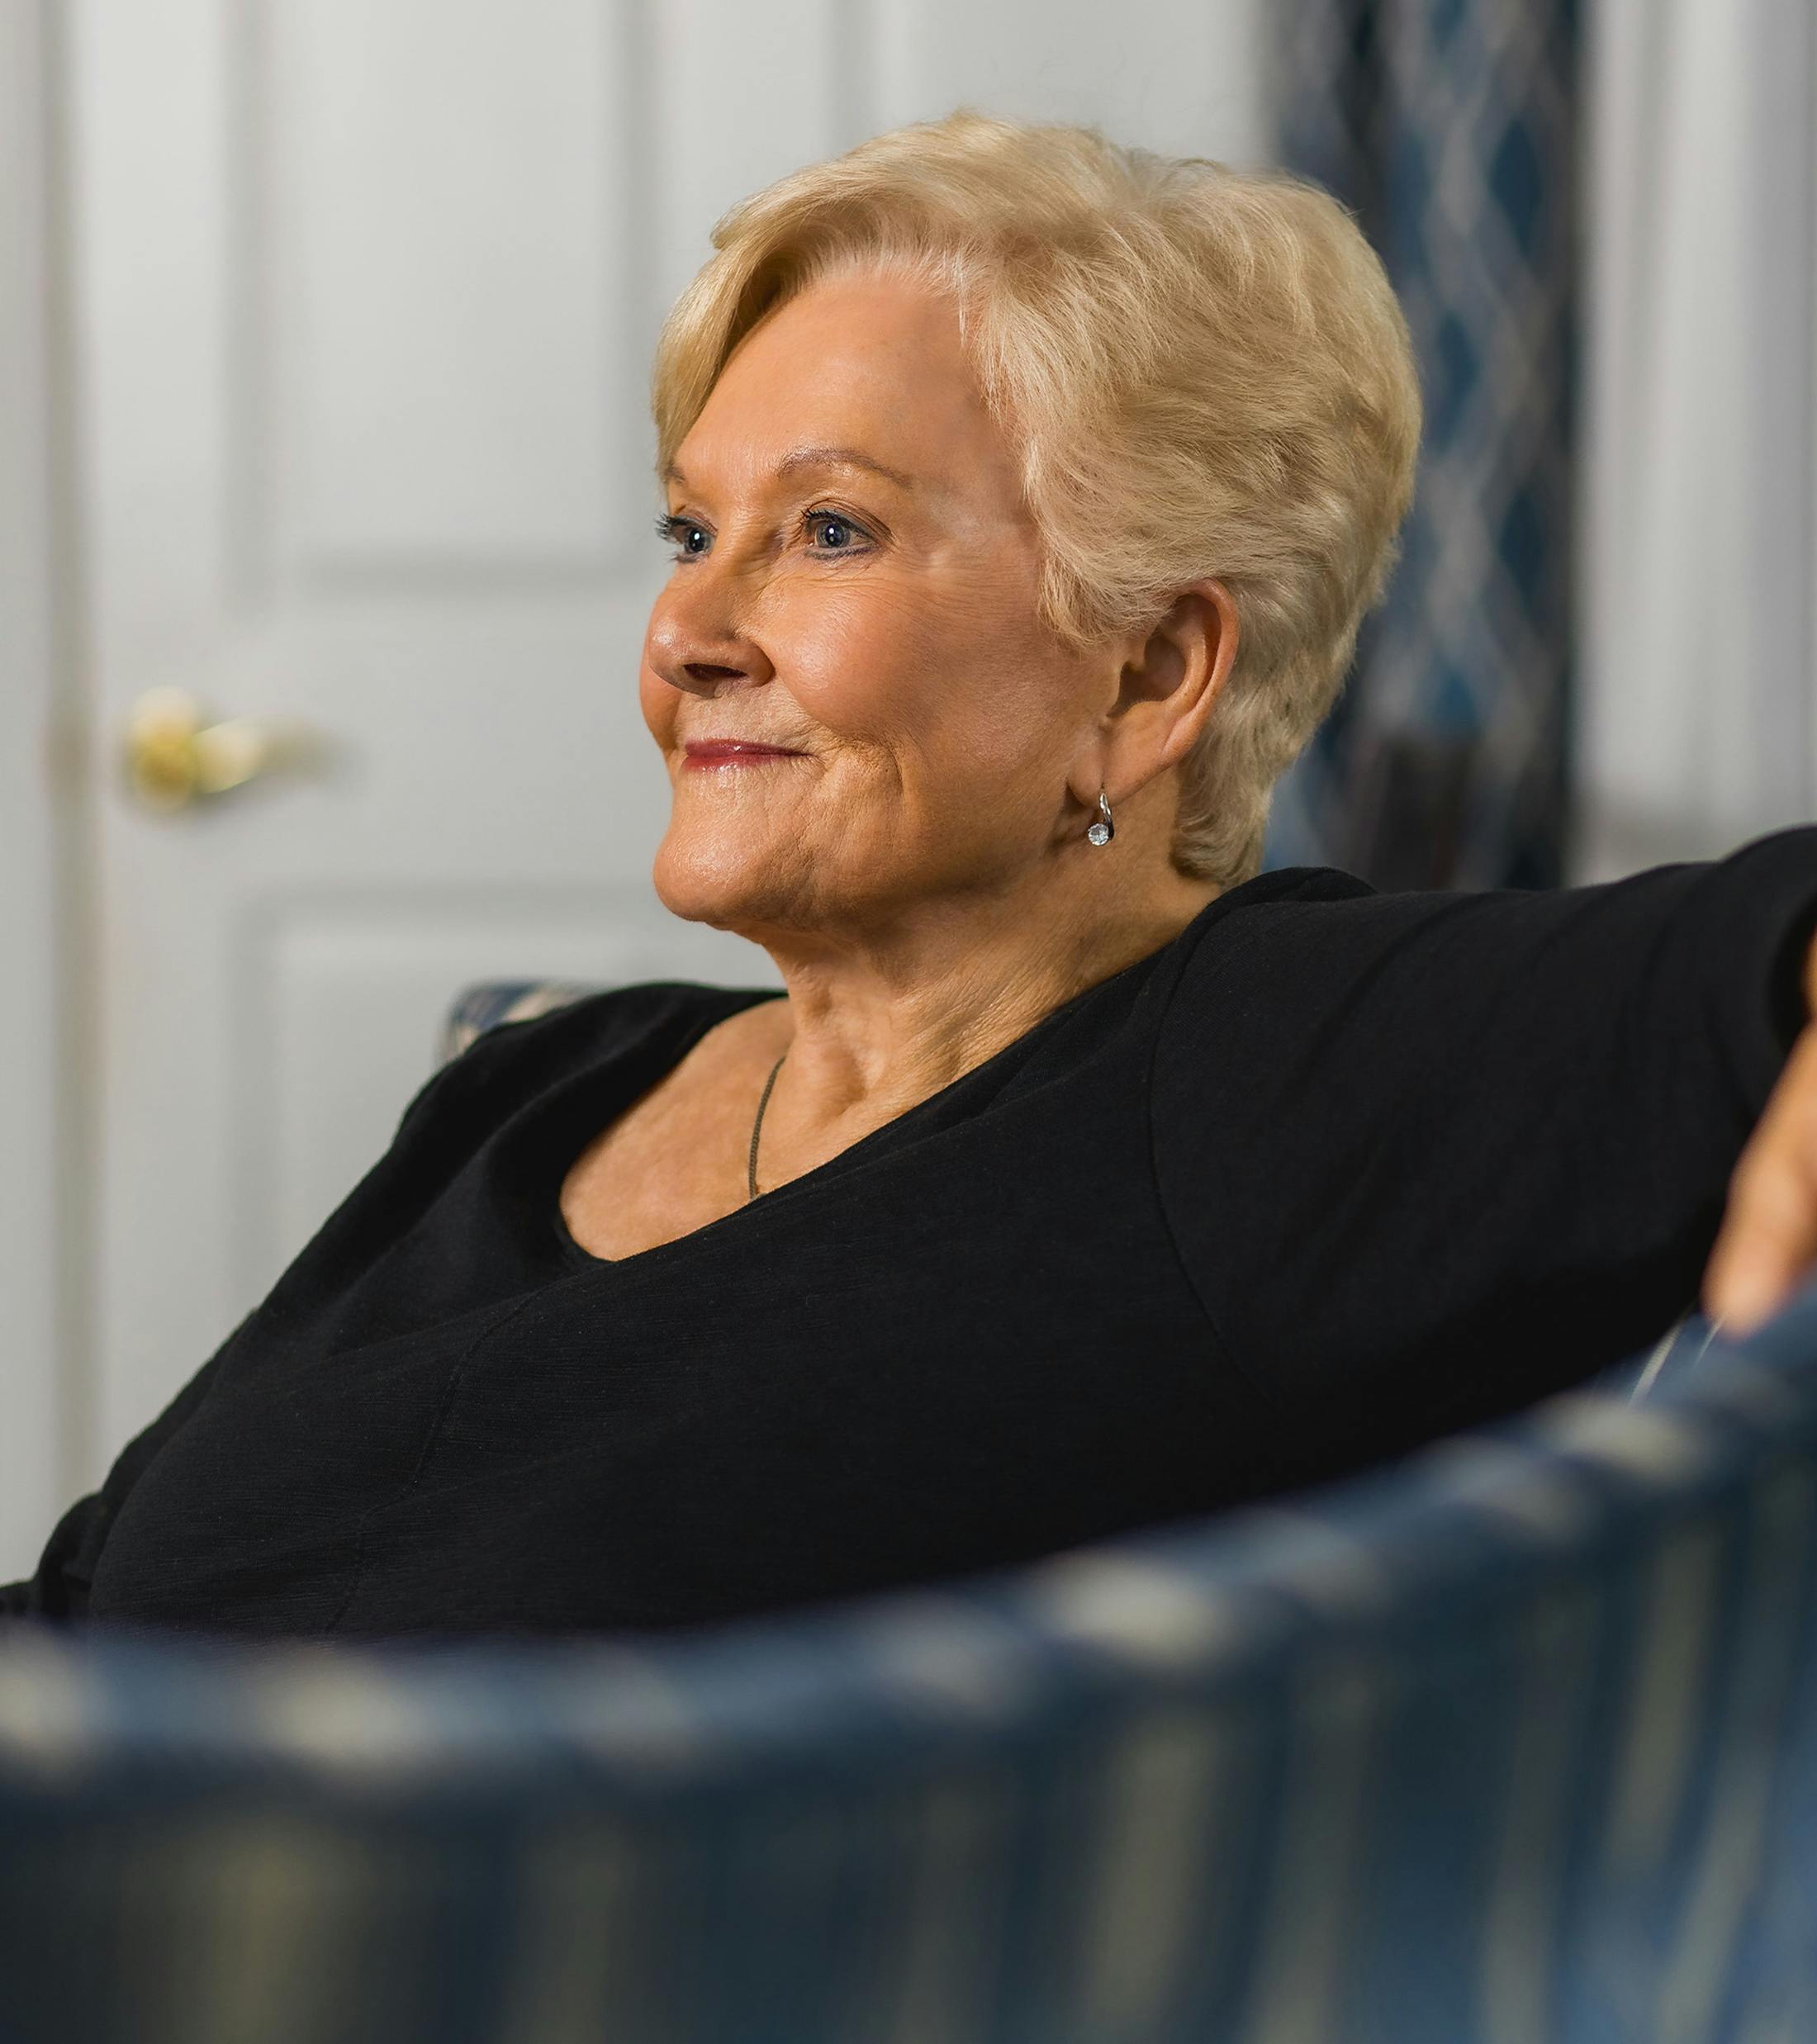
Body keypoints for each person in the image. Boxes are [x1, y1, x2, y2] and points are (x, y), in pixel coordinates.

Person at [6, 111, 1816, 1641]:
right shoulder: (549, 1081)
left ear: (1144, 671)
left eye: (831, 529)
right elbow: (96, 1588)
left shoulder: (1249, 1073)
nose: (686, 627)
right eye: (690, 528)